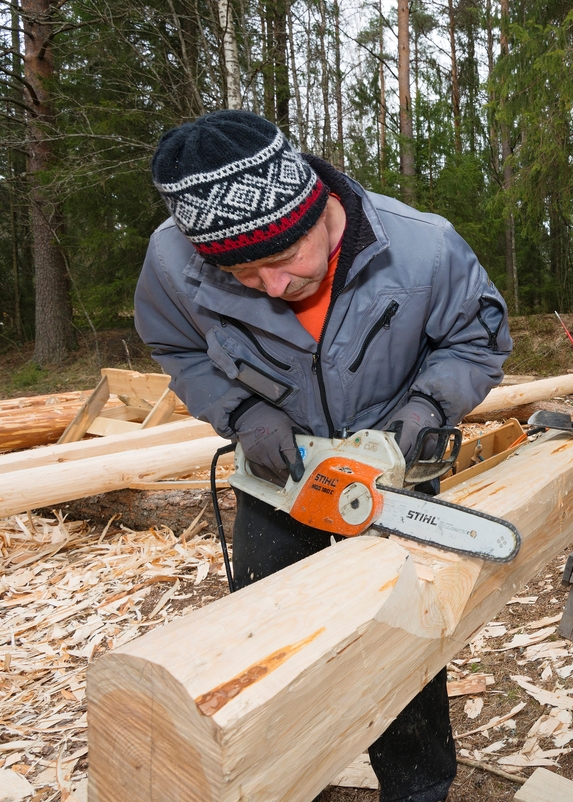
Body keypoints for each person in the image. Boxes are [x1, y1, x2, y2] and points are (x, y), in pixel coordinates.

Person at [134, 110, 511, 802]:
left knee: (403, 643)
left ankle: (418, 786)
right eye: (244, 276)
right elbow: (176, 346)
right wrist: (242, 412)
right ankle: (276, 780)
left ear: (316, 209)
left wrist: (427, 409)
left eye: (281, 263)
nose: (273, 287)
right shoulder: (173, 259)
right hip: (278, 479)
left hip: (390, 467)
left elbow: (477, 340)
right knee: (266, 641)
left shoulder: (423, 250)